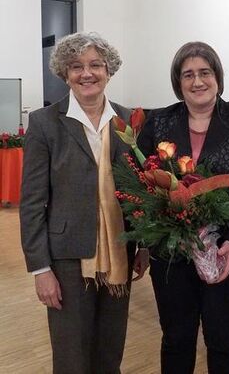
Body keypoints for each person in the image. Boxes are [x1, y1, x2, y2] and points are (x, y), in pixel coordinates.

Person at [138, 41, 229, 374]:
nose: (197, 81)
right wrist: (155, 232)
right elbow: (137, 182)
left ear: (217, 77)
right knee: (176, 338)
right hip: (171, 253)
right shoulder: (157, 123)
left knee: (224, 339)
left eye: (204, 72)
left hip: (226, 251)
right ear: (178, 81)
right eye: (188, 75)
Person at [20, 32, 149, 374]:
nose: (86, 73)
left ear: (109, 70)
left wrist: (145, 245)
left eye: (95, 65)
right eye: (76, 66)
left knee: (110, 352)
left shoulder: (127, 120)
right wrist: (40, 269)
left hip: (120, 254)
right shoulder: (44, 123)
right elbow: (32, 202)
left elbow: (140, 190)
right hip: (66, 258)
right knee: (71, 356)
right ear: (64, 73)